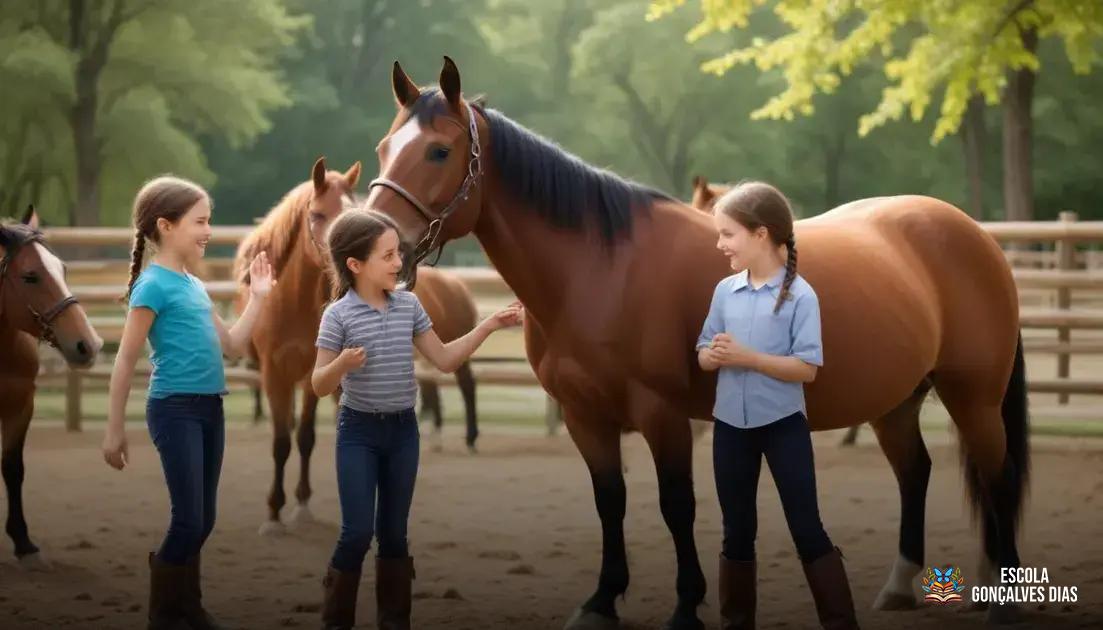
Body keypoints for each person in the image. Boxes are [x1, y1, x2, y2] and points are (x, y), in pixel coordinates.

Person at [311, 209, 523, 630]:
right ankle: (335, 621)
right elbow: (318, 384)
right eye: (388, 256)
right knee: (355, 533)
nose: (398, 263)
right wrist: (342, 367)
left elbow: (444, 360)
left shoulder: (408, 305)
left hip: (403, 433)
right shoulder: (337, 316)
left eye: (398, 254)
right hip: (358, 432)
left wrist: (490, 325)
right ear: (355, 265)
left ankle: (395, 621)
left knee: (394, 535)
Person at [102, 176, 275, 630]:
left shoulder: (194, 285)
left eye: (209, 221)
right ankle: (163, 615)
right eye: (200, 221)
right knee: (188, 519)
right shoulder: (152, 287)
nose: (208, 230)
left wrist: (257, 299)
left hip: (209, 410)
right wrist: (113, 428)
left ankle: (188, 607)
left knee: (205, 519)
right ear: (166, 225)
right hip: (174, 409)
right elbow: (124, 361)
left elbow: (235, 345)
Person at [697, 181, 858, 630]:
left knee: (807, 529)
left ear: (761, 234)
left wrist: (746, 358)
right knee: (736, 533)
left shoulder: (802, 296)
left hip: (783, 426)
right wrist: (711, 356)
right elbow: (704, 349)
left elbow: (807, 369)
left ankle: (841, 623)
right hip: (730, 428)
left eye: (728, 234)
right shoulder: (724, 292)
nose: (720, 244)